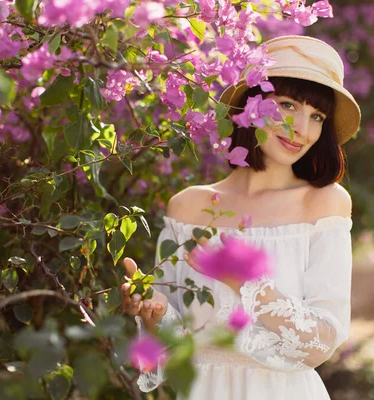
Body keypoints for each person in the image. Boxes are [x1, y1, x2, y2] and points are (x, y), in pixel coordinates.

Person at [121, 35, 361, 400]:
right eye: (287, 105)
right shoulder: (186, 208)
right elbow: (174, 338)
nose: (303, 129)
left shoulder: (324, 204)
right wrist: (150, 314)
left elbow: (322, 341)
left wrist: (247, 284)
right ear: (252, 106)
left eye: (316, 116)